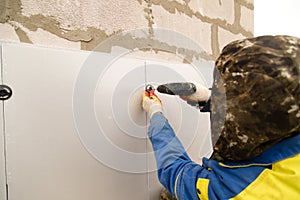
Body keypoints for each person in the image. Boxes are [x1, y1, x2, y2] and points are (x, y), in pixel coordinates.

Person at [142, 35, 300, 200]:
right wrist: (209, 99)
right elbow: (267, 111)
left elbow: (176, 173)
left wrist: (156, 116)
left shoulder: (237, 192)